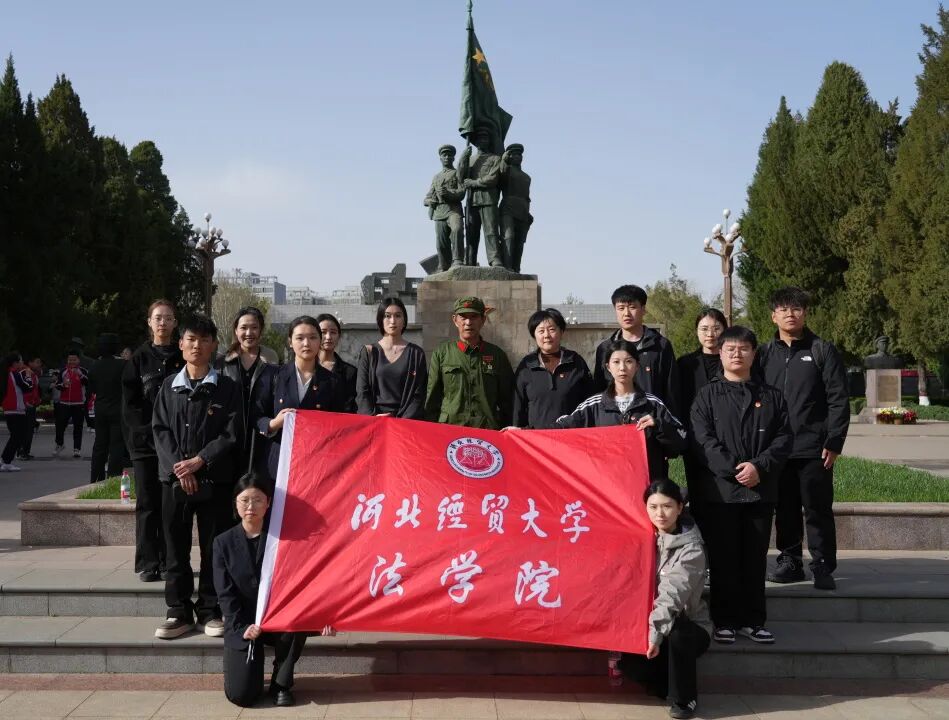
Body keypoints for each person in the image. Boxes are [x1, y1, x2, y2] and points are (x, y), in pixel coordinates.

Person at [690, 326, 792, 646]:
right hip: (721, 492)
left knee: (754, 557)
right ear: (720, 354)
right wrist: (734, 470)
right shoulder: (706, 395)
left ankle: (754, 620)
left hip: (760, 490)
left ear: (753, 354)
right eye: (730, 349)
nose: (737, 354)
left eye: (744, 348)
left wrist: (759, 467)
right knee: (724, 558)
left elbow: (784, 437)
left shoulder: (772, 395)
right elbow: (702, 440)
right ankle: (724, 620)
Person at [153, 314, 242, 640]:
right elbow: (160, 429)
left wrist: (200, 461)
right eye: (191, 339)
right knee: (175, 548)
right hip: (175, 482)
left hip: (214, 480)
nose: (197, 346)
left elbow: (232, 433)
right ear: (180, 344)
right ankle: (178, 611)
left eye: (204, 340)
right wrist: (181, 467)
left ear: (214, 345)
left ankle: (209, 609)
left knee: (212, 546)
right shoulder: (168, 387)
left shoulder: (227, 388)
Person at [213, 471, 335, 708]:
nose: (251, 506)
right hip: (244, 622)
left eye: (258, 500)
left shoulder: (285, 539)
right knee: (242, 695)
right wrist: (241, 627)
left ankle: (281, 683)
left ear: (268, 503)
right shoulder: (222, 543)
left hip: (278, 618)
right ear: (236, 503)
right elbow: (225, 593)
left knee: (295, 622)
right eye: (245, 500)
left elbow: (305, 584)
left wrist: (322, 617)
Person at [758, 287, 850, 591]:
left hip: (814, 448)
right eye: (783, 309)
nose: (790, 314)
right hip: (777, 449)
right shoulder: (764, 354)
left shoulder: (822, 350)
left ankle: (822, 564)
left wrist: (834, 440)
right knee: (784, 509)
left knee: (817, 509)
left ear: (805, 313)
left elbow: (838, 399)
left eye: (796, 309)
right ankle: (790, 562)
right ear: (773, 316)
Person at [618, 479, 710, 720]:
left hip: (687, 624)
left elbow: (672, 595)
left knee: (678, 632)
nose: (660, 513)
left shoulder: (691, 549)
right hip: (650, 622)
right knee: (638, 672)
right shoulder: (642, 537)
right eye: (653, 507)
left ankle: (685, 700)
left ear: (680, 507)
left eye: (667, 506)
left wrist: (655, 635)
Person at [550, 340, 687, 479]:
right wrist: (534, 437)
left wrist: (659, 425)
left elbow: (681, 440)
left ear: (637, 366)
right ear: (608, 367)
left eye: (629, 361)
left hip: (648, 486)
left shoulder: (653, 404)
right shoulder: (594, 406)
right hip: (608, 485)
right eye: (616, 362)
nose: (622, 368)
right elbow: (561, 429)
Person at [122, 299, 185, 582]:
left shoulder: (183, 355)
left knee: (172, 505)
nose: (163, 322)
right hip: (145, 445)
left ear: (174, 323)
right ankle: (148, 562)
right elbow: (131, 404)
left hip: (176, 444)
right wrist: (150, 433)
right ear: (149, 322)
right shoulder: (138, 359)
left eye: (168, 318)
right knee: (148, 504)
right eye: (158, 317)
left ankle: (171, 561)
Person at [256, 316, 350, 481]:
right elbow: (256, 416)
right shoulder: (273, 375)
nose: (306, 343)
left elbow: (340, 423)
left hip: (316, 462)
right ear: (290, 342)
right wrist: (274, 424)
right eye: (300, 338)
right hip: (279, 460)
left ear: (320, 341)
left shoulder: (332, 381)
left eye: (313, 337)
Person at [425, 296, 514, 429]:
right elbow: (432, 399)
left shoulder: (497, 355)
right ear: (455, 320)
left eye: (474, 317)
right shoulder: (442, 353)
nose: (468, 322)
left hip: (486, 430)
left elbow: (508, 400)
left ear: (483, 320)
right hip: (450, 429)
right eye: (463, 317)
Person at [592, 285, 681, 419]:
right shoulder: (605, 348)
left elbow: (671, 391)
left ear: (643, 309)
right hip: (615, 423)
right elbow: (598, 391)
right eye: (621, 308)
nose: (626, 313)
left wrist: (666, 423)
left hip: (651, 421)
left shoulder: (660, 346)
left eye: (632, 307)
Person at [676, 308, 727, 532]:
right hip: (696, 441)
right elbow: (678, 402)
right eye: (704, 329)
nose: (710, 334)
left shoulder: (733, 360)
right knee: (700, 498)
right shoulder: (685, 364)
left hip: (728, 439)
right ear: (696, 331)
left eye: (716, 328)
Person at [218, 307, 278, 474]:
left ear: (261, 330)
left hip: (263, 436)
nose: (249, 333)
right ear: (236, 330)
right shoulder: (222, 363)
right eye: (243, 328)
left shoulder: (272, 361)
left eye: (254, 327)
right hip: (230, 438)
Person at [513, 308, 593, 429]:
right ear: (534, 335)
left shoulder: (575, 362)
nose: (546, 335)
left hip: (570, 434)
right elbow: (517, 407)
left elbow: (589, 402)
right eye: (541, 331)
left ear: (561, 332)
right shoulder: (526, 366)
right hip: (535, 436)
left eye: (551, 330)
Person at [355, 297, 428, 419]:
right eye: (387, 316)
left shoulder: (416, 354)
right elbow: (362, 392)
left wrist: (400, 421)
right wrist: (373, 418)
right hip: (375, 420)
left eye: (398, 316)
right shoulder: (369, 352)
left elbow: (419, 395)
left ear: (404, 320)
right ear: (380, 320)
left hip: (405, 422)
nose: (393, 321)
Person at [458, 128, 504, 267]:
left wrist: (474, 183)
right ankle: (469, 260)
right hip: (472, 200)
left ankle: (494, 258)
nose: (482, 141)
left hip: (488, 199)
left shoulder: (495, 159)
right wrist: (463, 159)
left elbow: (492, 179)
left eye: (485, 138)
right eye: (479, 139)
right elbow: (460, 177)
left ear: (489, 141)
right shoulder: (470, 159)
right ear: (475, 142)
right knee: (471, 234)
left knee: (491, 231)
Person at [89, 334, 129, 482]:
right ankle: (113, 477)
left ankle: (95, 478)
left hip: (100, 408)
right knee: (116, 445)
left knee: (99, 444)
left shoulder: (94, 365)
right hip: (118, 408)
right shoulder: (123, 365)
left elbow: (91, 388)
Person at [424, 144, 466, 271]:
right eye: (444, 155)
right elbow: (427, 197)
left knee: (457, 230)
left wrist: (448, 193)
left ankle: (458, 260)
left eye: (449, 155)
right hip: (439, 212)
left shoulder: (457, 173)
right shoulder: (436, 177)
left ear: (453, 158)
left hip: (453, 210)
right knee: (441, 243)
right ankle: (443, 265)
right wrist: (430, 201)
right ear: (440, 158)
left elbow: (462, 192)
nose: (447, 157)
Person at [499, 142, 532, 273]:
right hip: (508, 208)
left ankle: (516, 268)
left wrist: (528, 212)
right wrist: (503, 160)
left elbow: (527, 197)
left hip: (523, 210)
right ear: (510, 156)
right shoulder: (506, 170)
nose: (517, 157)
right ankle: (507, 267)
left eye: (519, 154)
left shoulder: (527, 177)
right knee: (508, 237)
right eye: (514, 154)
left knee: (519, 242)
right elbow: (500, 175)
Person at [315, 313, 357, 413]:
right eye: (323, 332)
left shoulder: (350, 372)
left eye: (333, 332)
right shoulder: (305, 368)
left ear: (339, 336)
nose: (328, 337)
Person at [1, 352, 34, 472]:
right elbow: (28, 387)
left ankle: (4, 459)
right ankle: (7, 462)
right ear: (15, 363)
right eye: (20, 361)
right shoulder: (15, 374)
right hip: (16, 409)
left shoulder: (5, 373)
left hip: (8, 408)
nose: (22, 363)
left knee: (15, 436)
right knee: (18, 436)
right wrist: (28, 376)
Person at [54, 350, 89, 458]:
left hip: (79, 403)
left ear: (78, 360)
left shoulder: (83, 371)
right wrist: (63, 385)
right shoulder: (63, 371)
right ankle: (60, 444)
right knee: (60, 425)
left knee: (78, 427)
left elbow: (88, 382)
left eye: (74, 359)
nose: (72, 362)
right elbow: (57, 385)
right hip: (64, 403)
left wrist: (81, 375)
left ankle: (77, 449)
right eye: (70, 359)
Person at [18, 356, 42, 461]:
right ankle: (23, 452)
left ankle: (25, 451)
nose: (39, 364)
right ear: (30, 363)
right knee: (27, 430)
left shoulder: (33, 373)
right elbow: (26, 388)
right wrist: (27, 402)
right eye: (37, 362)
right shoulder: (26, 372)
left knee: (28, 429)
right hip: (27, 405)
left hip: (31, 404)